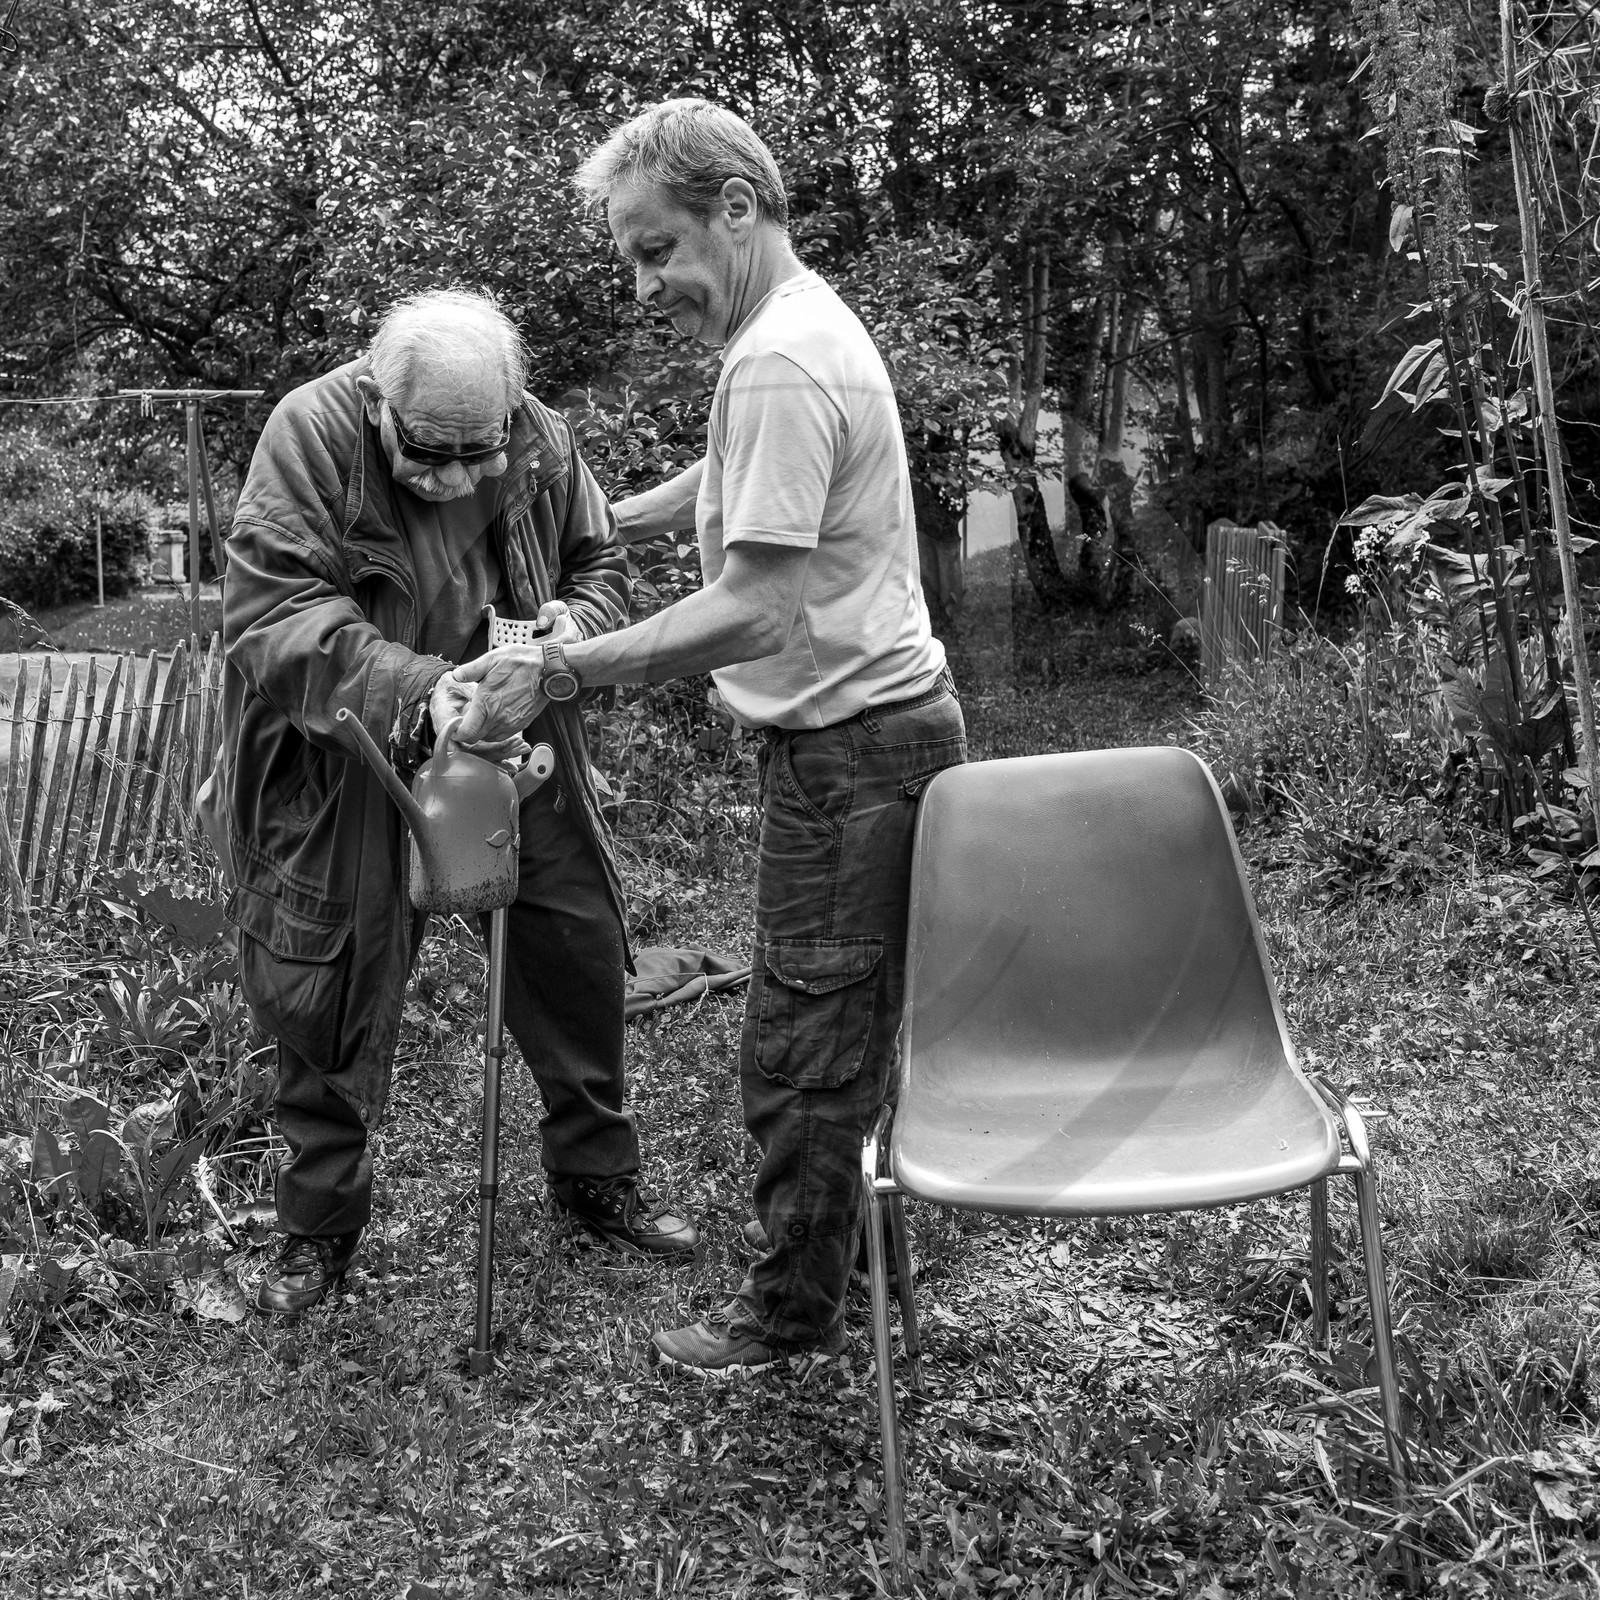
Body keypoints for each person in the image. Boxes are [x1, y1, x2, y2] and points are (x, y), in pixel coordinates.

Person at [451, 100, 967, 1372]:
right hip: (874, 744)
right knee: (838, 1029)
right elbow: (738, 475)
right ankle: (865, 1264)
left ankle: (787, 1320)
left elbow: (756, 604)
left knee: (802, 1052)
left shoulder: (779, 359)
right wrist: (598, 522)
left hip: (854, 753)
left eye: (653, 249)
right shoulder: (789, 337)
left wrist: (558, 670)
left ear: (735, 208)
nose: (642, 285)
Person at [212, 288, 698, 1316]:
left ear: (514, 406)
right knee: (324, 982)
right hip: (349, 754)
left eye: (479, 452)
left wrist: (572, 630)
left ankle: (595, 1176)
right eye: (428, 452)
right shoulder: (308, 433)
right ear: (375, 398)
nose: (460, 477)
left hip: (516, 745)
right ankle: (316, 1231)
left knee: (571, 951)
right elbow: (277, 618)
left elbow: (600, 564)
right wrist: (425, 692)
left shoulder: (541, 438)